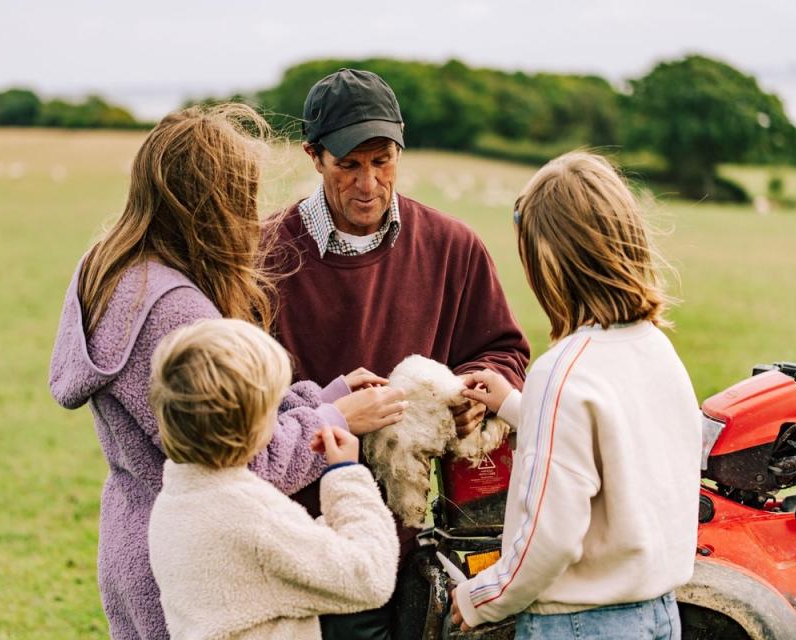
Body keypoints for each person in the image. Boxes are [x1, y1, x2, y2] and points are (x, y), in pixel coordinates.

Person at [48, 104, 406, 640]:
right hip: (199, 561)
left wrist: (322, 396)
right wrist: (335, 419)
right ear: (211, 204)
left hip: (144, 532)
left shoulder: (113, 268)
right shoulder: (170, 308)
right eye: (243, 198)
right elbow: (243, 456)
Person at [266, 68, 531, 638]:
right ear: (314, 157)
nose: (369, 183)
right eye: (349, 165)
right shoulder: (264, 258)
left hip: (416, 539)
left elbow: (502, 348)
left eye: (382, 160)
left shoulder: (451, 246)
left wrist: (472, 394)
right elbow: (241, 401)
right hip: (306, 547)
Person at [449, 152, 702, 639]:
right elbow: (617, 445)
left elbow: (551, 537)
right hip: (657, 614)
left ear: (550, 261)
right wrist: (512, 404)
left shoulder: (562, 372)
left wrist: (483, 596)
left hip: (579, 623)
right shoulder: (654, 347)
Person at [147, 318, 400, 639]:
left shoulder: (174, 504)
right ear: (255, 424)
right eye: (274, 406)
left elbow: (282, 550)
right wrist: (347, 477)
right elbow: (369, 578)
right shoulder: (254, 516)